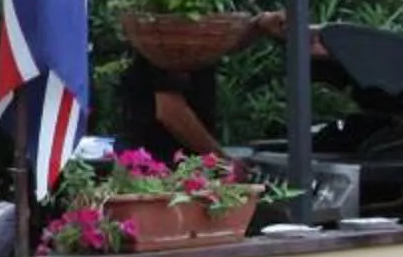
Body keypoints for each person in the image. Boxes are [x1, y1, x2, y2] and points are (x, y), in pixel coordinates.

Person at [112, 11, 299, 158]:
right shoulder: (169, 41)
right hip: (154, 161)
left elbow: (222, 42)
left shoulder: (193, 37)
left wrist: (258, 26)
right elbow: (171, 112)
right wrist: (221, 160)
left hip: (177, 160)